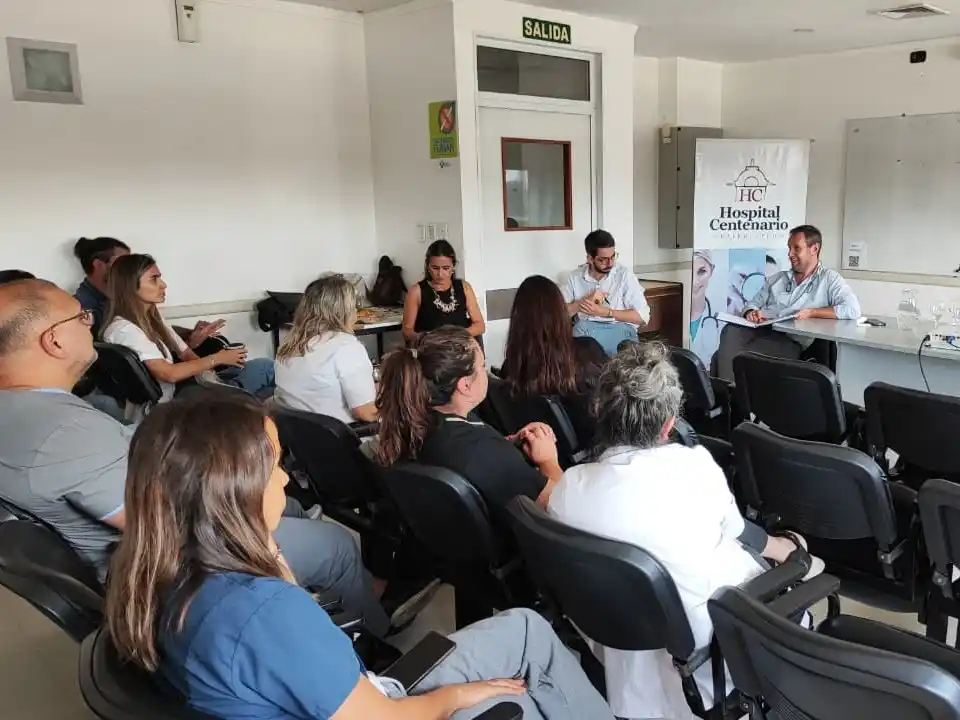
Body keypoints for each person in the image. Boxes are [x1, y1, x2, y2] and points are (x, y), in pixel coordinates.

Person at [103, 393, 613, 720]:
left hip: (341, 691)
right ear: (231, 488)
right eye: (277, 465)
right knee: (517, 686)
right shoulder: (263, 613)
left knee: (524, 626)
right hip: (377, 705)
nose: (284, 479)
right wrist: (455, 696)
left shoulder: (150, 566)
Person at [0, 280, 390, 635]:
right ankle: (374, 641)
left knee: (288, 502)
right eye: (82, 317)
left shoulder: (23, 411)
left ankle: (344, 587)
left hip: (153, 530)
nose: (90, 324)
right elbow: (173, 523)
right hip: (173, 567)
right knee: (334, 543)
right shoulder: (66, 434)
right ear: (54, 341)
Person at [548, 341, 821, 719]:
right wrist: (793, 554)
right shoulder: (692, 464)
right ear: (668, 424)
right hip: (713, 649)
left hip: (625, 658)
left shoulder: (569, 488)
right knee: (788, 571)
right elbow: (740, 534)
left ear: (601, 412)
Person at [376, 326, 562, 529]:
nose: (485, 372)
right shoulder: (483, 452)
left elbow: (474, 455)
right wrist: (548, 460)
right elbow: (561, 507)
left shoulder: (414, 421)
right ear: (464, 385)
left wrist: (511, 442)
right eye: (482, 366)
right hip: (508, 548)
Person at [101, 254, 275, 403]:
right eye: (154, 279)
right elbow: (168, 373)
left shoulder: (153, 317)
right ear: (131, 285)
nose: (163, 284)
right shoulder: (124, 330)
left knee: (265, 368)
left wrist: (210, 373)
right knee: (269, 382)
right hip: (177, 401)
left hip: (190, 386)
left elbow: (185, 353)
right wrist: (217, 359)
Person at [715, 225, 861, 382]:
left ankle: (734, 396)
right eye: (789, 248)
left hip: (789, 339)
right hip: (762, 329)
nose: (790, 254)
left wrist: (812, 312)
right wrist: (750, 312)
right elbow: (752, 303)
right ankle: (728, 390)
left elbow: (852, 309)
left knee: (739, 356)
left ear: (814, 249)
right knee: (730, 331)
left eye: (796, 248)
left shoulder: (829, 279)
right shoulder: (778, 278)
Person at [500, 275, 603, 444]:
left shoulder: (512, 365)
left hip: (541, 452)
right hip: (590, 452)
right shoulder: (587, 352)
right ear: (560, 311)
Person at [274, 275, 377, 424]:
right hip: (344, 440)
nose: (356, 312)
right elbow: (366, 413)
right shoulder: (346, 346)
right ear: (343, 311)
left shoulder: (288, 344)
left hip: (299, 440)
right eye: (354, 307)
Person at [562, 230, 650, 356]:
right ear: (590, 259)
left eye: (613, 256)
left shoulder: (625, 275)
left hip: (620, 328)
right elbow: (559, 315)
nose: (610, 263)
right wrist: (583, 303)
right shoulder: (575, 277)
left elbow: (643, 317)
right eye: (603, 259)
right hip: (586, 331)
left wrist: (606, 312)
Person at [402, 240, 485, 344]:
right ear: (428, 266)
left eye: (446, 268)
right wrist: (425, 338)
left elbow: (480, 326)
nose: (440, 274)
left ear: (453, 267)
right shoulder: (416, 291)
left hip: (461, 349)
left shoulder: (464, 287)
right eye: (435, 268)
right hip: (431, 350)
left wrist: (455, 336)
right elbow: (407, 331)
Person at [73, 237, 131, 337]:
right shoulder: (80, 308)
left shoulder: (125, 297)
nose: (129, 269)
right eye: (122, 262)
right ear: (98, 264)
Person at [689, 250, 720, 366]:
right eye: (689, 271)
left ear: (712, 270)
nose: (694, 281)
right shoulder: (667, 316)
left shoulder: (721, 323)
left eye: (702, 271)